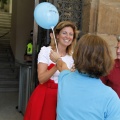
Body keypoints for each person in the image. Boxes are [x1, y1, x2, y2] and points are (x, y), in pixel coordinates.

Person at [50, 34, 120, 120]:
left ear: (77, 55)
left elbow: (62, 66)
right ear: (105, 60)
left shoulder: (65, 79)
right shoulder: (111, 98)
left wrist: (57, 59)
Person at [23, 21, 78, 120]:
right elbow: (41, 79)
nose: (68, 36)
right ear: (57, 35)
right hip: (45, 96)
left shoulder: (72, 56)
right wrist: (57, 65)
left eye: (71, 34)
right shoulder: (46, 51)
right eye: (64, 33)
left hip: (63, 97)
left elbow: (72, 80)